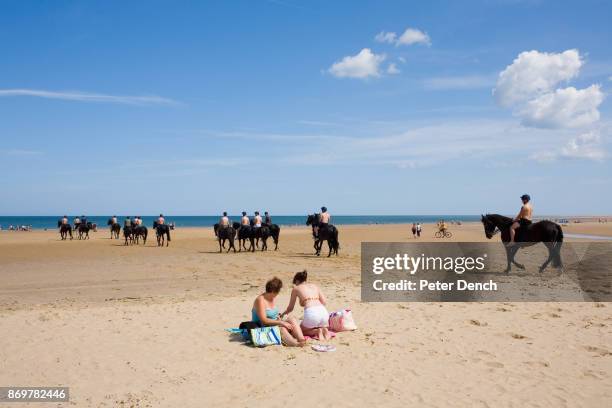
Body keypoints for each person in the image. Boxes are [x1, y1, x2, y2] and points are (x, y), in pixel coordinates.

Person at [252, 277, 305, 347]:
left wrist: (279, 317)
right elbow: (264, 320)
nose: (278, 293)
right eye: (278, 291)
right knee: (281, 328)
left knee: (291, 319)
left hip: (274, 323)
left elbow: (273, 313)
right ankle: (296, 344)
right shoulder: (260, 300)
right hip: (262, 326)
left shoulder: (272, 298)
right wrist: (281, 322)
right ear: (273, 291)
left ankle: (301, 339)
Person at [281, 270, 331, 341]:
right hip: (323, 312)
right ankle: (324, 329)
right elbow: (324, 302)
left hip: (312, 313)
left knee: (300, 331)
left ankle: (317, 331)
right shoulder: (315, 286)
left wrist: (282, 314)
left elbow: (290, 308)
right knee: (314, 322)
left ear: (297, 281)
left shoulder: (296, 289)